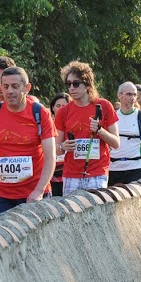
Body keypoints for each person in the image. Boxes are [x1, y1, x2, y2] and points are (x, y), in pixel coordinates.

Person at [0, 67, 56, 220]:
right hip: (1, 196)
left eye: (15, 86)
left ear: (27, 88)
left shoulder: (40, 113)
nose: (10, 91)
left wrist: (38, 191)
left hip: (33, 193)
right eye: (5, 86)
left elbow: (50, 157)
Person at [55, 61, 119, 194]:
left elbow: (116, 143)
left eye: (76, 84)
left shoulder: (103, 106)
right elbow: (56, 149)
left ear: (87, 84)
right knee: (71, 213)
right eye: (68, 84)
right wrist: (63, 146)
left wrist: (100, 131)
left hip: (97, 172)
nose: (71, 88)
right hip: (71, 173)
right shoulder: (63, 112)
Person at [109, 82, 141, 186]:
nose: (133, 98)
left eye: (135, 95)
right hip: (114, 168)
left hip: (136, 167)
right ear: (119, 95)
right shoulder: (111, 116)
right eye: (129, 94)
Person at [49, 93, 70, 196]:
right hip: (50, 175)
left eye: (64, 106)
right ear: (52, 108)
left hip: (69, 174)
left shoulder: (73, 126)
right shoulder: (46, 125)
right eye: (58, 106)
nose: (61, 109)